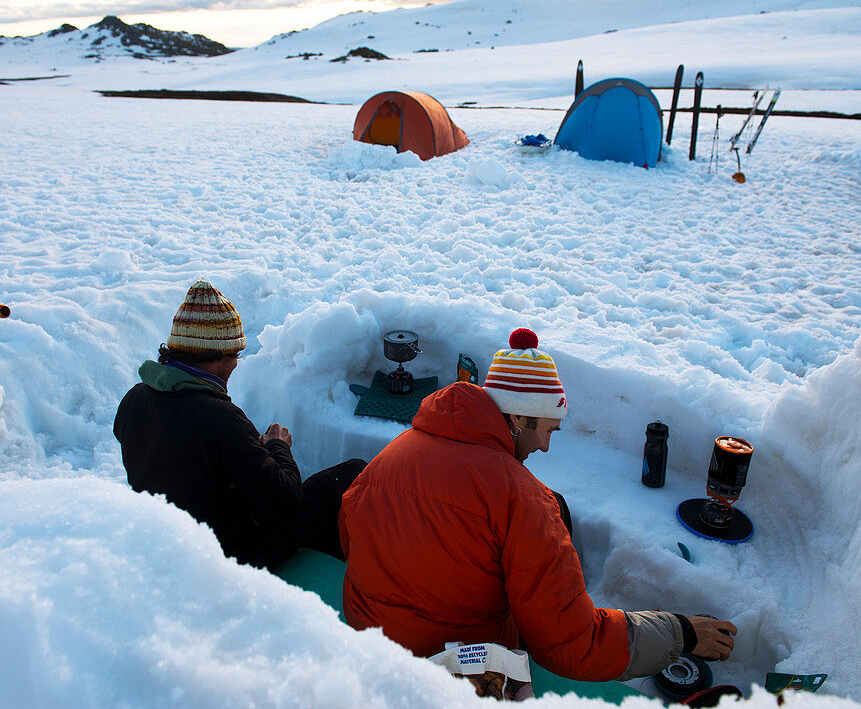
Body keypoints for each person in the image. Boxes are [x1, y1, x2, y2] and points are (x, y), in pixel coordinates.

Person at [339, 328, 736, 682]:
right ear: (516, 418)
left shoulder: (393, 454)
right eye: (547, 429)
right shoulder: (523, 500)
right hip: (451, 666)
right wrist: (681, 632)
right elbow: (574, 644)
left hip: (367, 640)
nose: (545, 445)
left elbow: (351, 534)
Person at [114, 280, 365, 571]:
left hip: (170, 542)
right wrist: (277, 448)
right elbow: (285, 504)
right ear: (220, 357)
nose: (236, 364)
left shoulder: (134, 399)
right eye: (235, 355)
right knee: (350, 474)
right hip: (234, 556)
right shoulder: (219, 418)